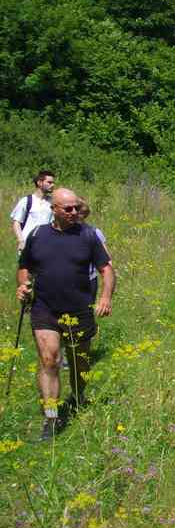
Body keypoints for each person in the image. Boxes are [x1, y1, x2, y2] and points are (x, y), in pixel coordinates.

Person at [16, 188, 115, 441]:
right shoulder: (38, 235)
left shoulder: (88, 235)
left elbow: (106, 269)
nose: (74, 212)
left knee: (79, 362)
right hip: (44, 308)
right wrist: (23, 286)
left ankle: (78, 396)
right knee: (50, 360)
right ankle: (51, 416)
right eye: (67, 209)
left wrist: (105, 297)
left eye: (76, 208)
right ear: (54, 210)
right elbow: (25, 266)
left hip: (79, 309)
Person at [10, 170, 55, 252]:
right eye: (49, 182)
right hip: (28, 245)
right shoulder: (27, 201)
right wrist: (21, 241)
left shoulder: (53, 202)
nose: (52, 185)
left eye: (53, 183)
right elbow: (16, 222)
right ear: (39, 183)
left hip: (46, 245)